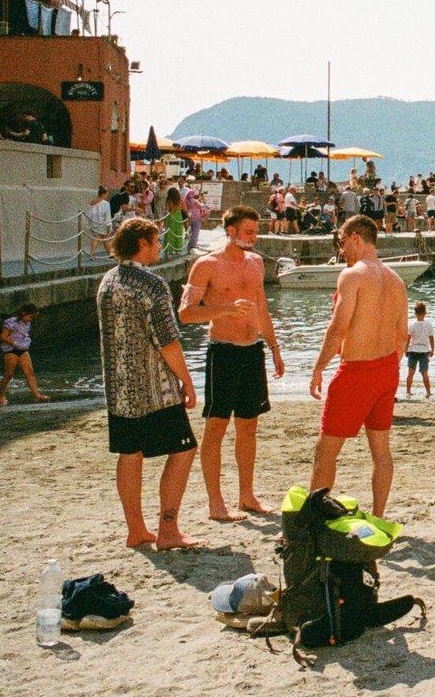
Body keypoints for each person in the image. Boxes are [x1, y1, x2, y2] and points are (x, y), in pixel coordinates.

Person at [95, 217, 205, 549]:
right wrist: (187, 381)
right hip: (155, 390)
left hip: (119, 390)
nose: (159, 246)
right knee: (184, 449)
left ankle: (136, 530)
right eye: (155, 241)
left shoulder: (107, 282)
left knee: (130, 453)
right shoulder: (151, 286)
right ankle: (168, 530)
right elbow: (168, 341)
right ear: (142, 243)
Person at [178, 205, 283, 522]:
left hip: (252, 351)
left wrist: (274, 347)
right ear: (231, 231)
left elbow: (261, 308)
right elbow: (185, 313)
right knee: (216, 427)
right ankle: (216, 502)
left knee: (248, 427)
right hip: (223, 352)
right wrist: (224, 309)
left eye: (256, 231)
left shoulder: (256, 263)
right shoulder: (207, 265)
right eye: (248, 231)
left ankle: (246, 496)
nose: (254, 237)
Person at [309, 216, 408, 517]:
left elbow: (338, 327)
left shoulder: (352, 275)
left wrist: (318, 367)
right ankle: (378, 516)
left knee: (326, 450)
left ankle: (315, 519)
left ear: (355, 237)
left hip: (356, 371)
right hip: (387, 369)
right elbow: (401, 336)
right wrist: (390, 369)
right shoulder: (397, 280)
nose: (341, 251)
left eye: (342, 243)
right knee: (381, 450)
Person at [0, 303, 49, 405]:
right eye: (30, 317)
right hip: (11, 349)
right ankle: (1, 395)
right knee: (9, 374)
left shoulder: (27, 323)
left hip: (22, 349)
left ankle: (36, 395)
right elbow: (3, 337)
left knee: (29, 372)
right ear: (23, 313)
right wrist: (14, 343)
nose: (30, 320)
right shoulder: (10, 322)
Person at [405, 302, 435, 399]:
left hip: (413, 351)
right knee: (424, 373)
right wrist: (432, 350)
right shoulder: (428, 324)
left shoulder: (412, 324)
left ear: (415, 314)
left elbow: (408, 338)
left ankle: (408, 391)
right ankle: (428, 392)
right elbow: (431, 338)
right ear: (425, 313)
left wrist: (406, 349)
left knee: (410, 373)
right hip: (424, 351)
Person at [161, 186, 187, 256]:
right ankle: (178, 249)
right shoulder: (180, 200)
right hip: (179, 216)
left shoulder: (168, 201)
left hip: (171, 216)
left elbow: (166, 211)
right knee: (178, 233)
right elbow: (185, 209)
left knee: (170, 233)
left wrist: (164, 221)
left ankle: (170, 250)